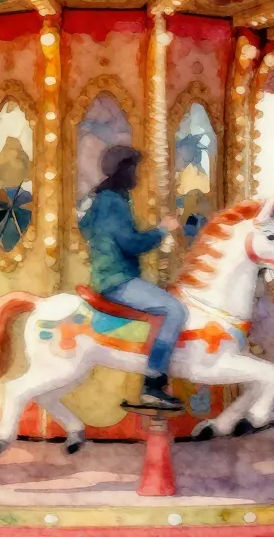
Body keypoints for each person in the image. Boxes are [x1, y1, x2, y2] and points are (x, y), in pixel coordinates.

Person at [78, 145, 183, 410]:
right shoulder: (111, 202)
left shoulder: (100, 199)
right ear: (124, 170)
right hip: (116, 279)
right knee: (174, 309)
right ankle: (153, 384)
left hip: (112, 275)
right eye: (135, 168)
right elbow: (130, 243)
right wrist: (162, 230)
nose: (138, 174)